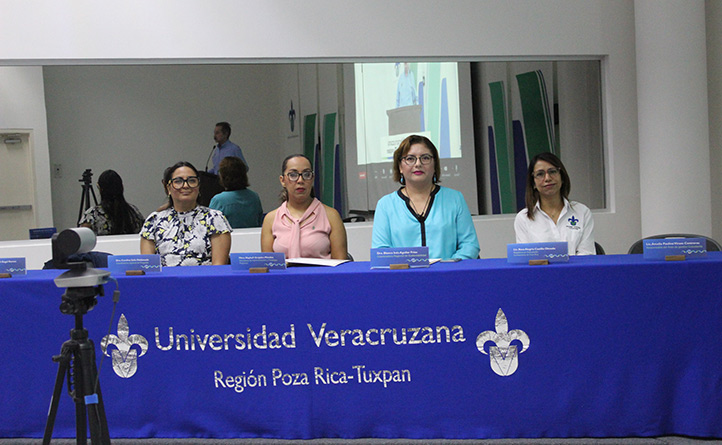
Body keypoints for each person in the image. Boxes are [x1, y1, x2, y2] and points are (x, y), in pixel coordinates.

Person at [372, 135, 480, 260]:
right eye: (410, 159)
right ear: (400, 167)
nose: (418, 164)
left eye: (425, 158)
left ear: (435, 165)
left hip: (447, 275)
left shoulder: (455, 199)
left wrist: (447, 267)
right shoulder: (385, 205)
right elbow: (380, 251)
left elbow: (470, 245)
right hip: (403, 276)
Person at [140, 161, 232, 266]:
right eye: (178, 181)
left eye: (192, 181)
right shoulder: (153, 221)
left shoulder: (215, 218)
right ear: (168, 187)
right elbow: (149, 270)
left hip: (204, 281)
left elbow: (218, 269)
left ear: (198, 186)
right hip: (164, 282)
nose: (185, 186)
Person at [261, 154, 347, 259]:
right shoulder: (271, 219)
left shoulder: (331, 216)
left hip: (320, 275)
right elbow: (268, 267)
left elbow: (340, 265)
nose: (300, 180)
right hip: (284, 276)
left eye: (306, 174)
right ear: (282, 180)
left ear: (312, 178)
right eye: (293, 175)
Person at [514, 152, 595, 255]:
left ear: (562, 178)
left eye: (552, 171)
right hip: (540, 271)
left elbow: (587, 255)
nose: (547, 178)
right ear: (533, 183)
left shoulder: (582, 212)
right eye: (540, 174)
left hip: (577, 271)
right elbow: (526, 260)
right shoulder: (523, 218)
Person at [79, 169, 144, 235]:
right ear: (122, 187)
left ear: (100, 189)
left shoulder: (91, 215)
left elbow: (83, 239)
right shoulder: (134, 212)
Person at [209, 156, 263, 228]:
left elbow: (211, 227)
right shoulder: (254, 197)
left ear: (223, 176)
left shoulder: (219, 200)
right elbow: (259, 221)